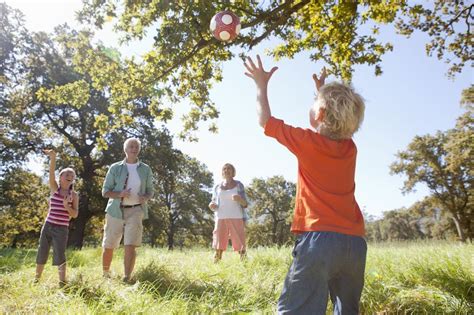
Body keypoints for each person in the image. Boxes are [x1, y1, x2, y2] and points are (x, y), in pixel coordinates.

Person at [244, 55, 367, 314]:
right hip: (354, 243)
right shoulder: (350, 149)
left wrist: (260, 84)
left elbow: (265, 120)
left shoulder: (306, 142)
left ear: (320, 113)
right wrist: (321, 92)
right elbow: (335, 122)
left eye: (315, 103)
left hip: (318, 240)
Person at [101, 137, 154, 283]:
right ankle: (105, 274)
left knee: (131, 244)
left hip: (136, 210)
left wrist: (146, 196)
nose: (134, 148)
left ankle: (126, 277)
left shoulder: (145, 169)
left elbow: (151, 191)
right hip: (115, 210)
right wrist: (119, 194)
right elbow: (105, 191)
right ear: (125, 149)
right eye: (131, 146)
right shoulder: (115, 167)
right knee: (109, 244)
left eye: (136, 146)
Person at [35, 149, 79, 286]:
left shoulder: (74, 195)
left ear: (73, 179)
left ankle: (62, 282)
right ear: (61, 177)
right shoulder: (55, 189)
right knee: (42, 250)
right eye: (67, 173)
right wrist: (53, 157)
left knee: (60, 253)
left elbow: (75, 214)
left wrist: (67, 206)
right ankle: (36, 279)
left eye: (72, 174)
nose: (70, 175)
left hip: (61, 228)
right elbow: (51, 174)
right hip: (48, 225)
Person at [209, 163, 248, 263]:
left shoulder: (239, 185)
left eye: (229, 168)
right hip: (220, 217)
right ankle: (216, 264)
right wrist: (212, 205)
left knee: (240, 241)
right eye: (224, 169)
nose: (226, 170)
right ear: (222, 172)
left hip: (237, 216)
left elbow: (245, 204)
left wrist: (239, 199)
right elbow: (214, 203)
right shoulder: (217, 186)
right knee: (218, 242)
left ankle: (244, 263)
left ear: (233, 172)